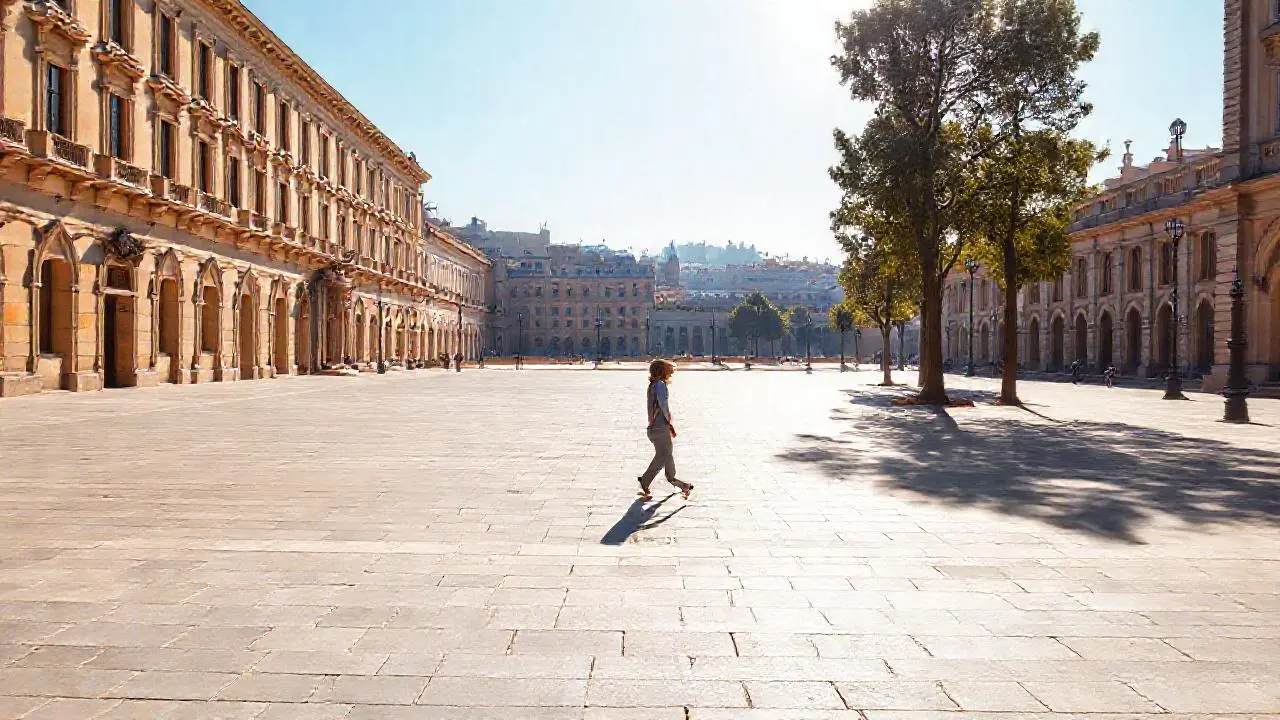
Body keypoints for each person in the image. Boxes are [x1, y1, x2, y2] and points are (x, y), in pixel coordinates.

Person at [637, 359, 693, 501]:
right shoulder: (660, 385)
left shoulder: (652, 385)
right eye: (668, 370)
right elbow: (663, 405)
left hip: (654, 427)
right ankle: (644, 481)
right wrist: (669, 422)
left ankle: (682, 485)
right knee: (663, 456)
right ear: (662, 371)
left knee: (667, 455)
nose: (671, 373)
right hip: (660, 427)